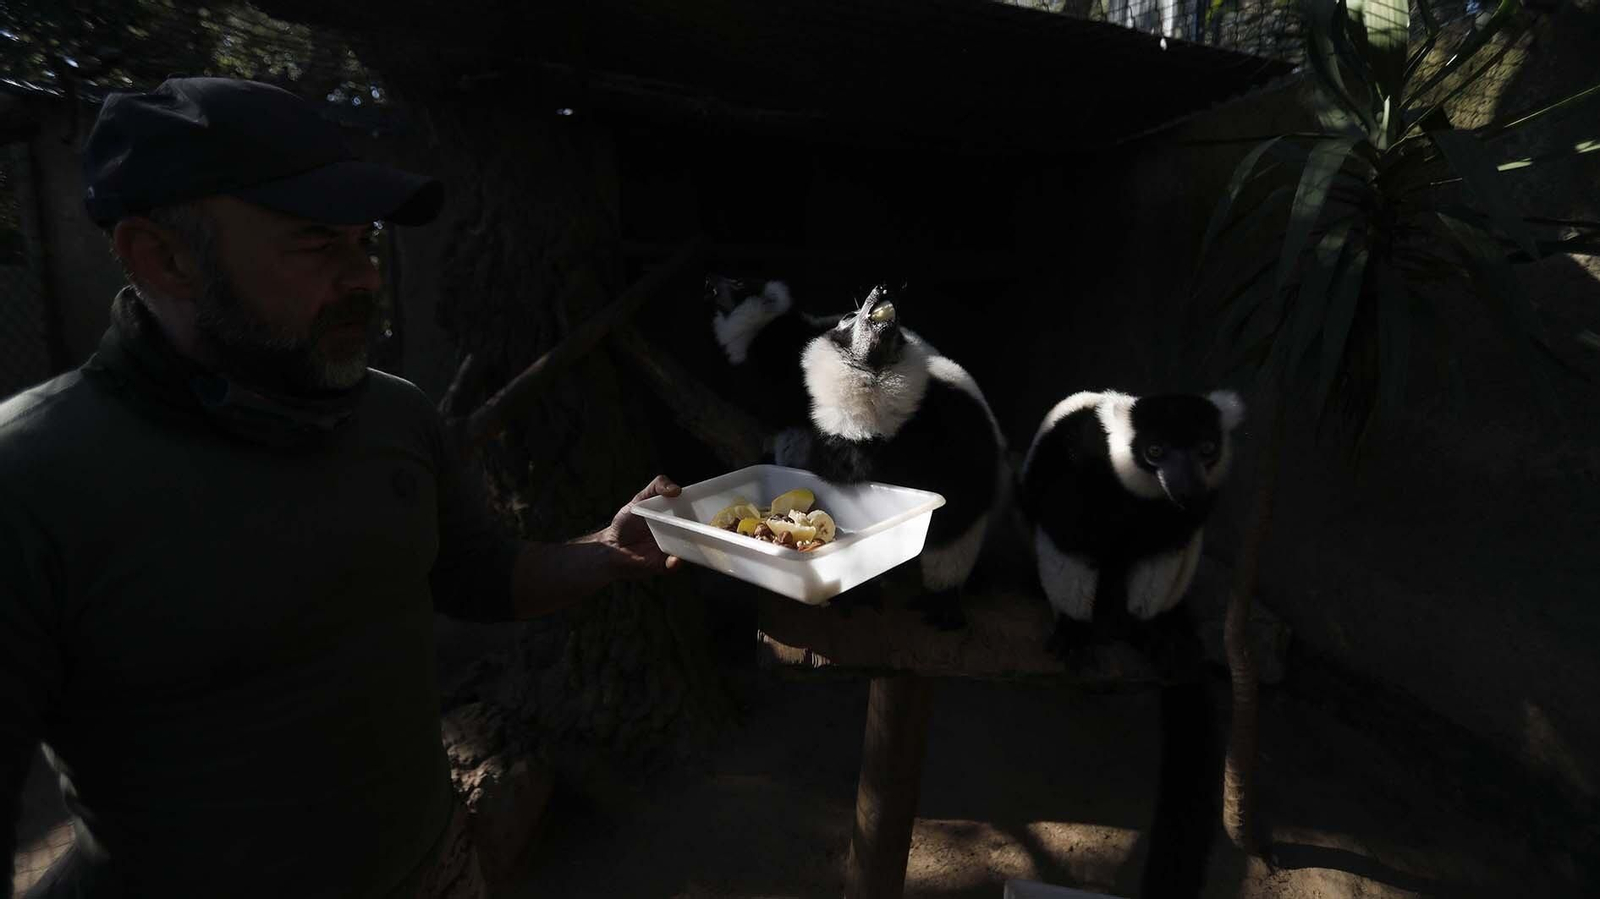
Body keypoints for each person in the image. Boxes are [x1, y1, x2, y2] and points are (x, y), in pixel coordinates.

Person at [0, 76, 681, 898]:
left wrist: (605, 553)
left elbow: (477, 574)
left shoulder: (393, 415)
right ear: (163, 256)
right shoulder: (32, 478)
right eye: (320, 245)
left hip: (439, 869)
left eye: (364, 242)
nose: (364, 276)